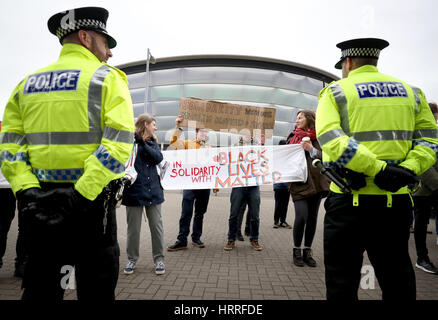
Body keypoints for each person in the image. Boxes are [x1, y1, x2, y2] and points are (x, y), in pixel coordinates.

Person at [0, 7, 134, 300]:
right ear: (85, 37)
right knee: (95, 290)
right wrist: (80, 195)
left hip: (40, 206)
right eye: (106, 42)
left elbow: (9, 147)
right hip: (90, 207)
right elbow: (119, 144)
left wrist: (27, 192)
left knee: (43, 289)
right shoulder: (107, 79)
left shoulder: (26, 84)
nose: (109, 52)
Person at [316, 38, 438, 300]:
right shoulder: (413, 92)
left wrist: (376, 168)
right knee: (397, 279)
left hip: (348, 203)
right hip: (395, 204)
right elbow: (430, 141)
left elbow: (330, 138)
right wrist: (405, 169)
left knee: (341, 281)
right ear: (376, 60)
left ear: (347, 63)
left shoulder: (336, 92)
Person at [122, 114, 165, 275]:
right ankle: (132, 259)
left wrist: (143, 145)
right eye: (153, 124)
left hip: (153, 192)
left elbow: (157, 158)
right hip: (134, 192)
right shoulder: (130, 142)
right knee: (133, 229)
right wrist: (136, 142)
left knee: (157, 227)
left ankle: (159, 259)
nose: (155, 127)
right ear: (146, 124)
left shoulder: (153, 143)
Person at [167, 115, 217, 251]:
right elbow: (173, 143)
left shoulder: (210, 147)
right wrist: (178, 126)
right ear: (196, 132)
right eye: (202, 131)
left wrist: (215, 185)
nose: (204, 134)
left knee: (200, 213)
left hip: (204, 185)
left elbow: (213, 166)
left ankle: (196, 238)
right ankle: (182, 240)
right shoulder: (187, 144)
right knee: (186, 212)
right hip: (189, 184)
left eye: (206, 132)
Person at [288, 110, 329, 267]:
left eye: (300, 118)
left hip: (317, 184)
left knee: (312, 218)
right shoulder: (292, 137)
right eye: (296, 118)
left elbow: (327, 156)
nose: (297, 120)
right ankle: (296, 250)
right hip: (299, 183)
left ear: (309, 119)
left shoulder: (321, 138)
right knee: (301, 216)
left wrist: (311, 149)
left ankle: (307, 250)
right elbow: (285, 157)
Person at [412, 102, 438, 275]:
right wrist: (437, 185)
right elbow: (421, 163)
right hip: (424, 189)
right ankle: (422, 258)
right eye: (434, 115)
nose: (435, 118)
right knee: (421, 223)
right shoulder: (418, 132)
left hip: (433, 186)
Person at [224, 134, 263, 251]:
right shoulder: (235, 146)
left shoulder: (258, 146)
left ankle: (254, 239)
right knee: (234, 214)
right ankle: (231, 239)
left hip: (253, 185)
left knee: (255, 215)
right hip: (238, 185)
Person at [273, 139, 292, 229]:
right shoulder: (277, 157)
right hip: (279, 185)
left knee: (284, 204)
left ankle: (282, 221)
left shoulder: (288, 157)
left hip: (286, 186)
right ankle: (277, 221)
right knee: (279, 204)